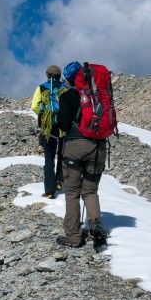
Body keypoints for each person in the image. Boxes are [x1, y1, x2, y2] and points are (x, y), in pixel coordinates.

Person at [55, 61, 108, 249]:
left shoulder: (68, 96)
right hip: (99, 147)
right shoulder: (98, 96)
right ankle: (96, 225)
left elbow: (62, 125)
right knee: (90, 191)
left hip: (75, 148)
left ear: (68, 79)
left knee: (72, 192)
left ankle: (73, 236)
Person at [31, 65, 66, 199]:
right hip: (62, 125)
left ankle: (50, 191)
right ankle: (59, 180)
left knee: (49, 157)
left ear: (47, 74)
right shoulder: (64, 88)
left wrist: (44, 116)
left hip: (48, 126)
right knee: (62, 153)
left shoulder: (41, 88)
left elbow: (34, 106)